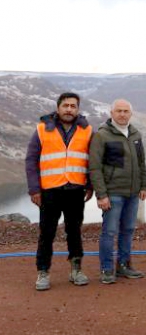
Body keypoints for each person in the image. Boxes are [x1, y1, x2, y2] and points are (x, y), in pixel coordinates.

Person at [25, 92, 93, 291]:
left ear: (78, 109)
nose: (69, 109)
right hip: (50, 191)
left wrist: (90, 185)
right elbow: (31, 160)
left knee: (74, 231)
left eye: (73, 106)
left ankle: (76, 270)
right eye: (66, 106)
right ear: (58, 108)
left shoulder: (87, 131)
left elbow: (92, 161)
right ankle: (43, 271)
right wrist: (34, 189)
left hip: (75, 190)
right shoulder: (41, 130)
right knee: (47, 233)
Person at [89, 99, 146, 284]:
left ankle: (123, 266)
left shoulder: (136, 134)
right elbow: (95, 167)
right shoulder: (102, 136)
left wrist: (144, 186)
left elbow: (141, 162)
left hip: (132, 193)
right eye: (118, 111)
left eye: (126, 111)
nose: (122, 114)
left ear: (131, 113)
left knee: (128, 230)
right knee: (109, 232)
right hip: (113, 193)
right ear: (111, 113)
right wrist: (101, 194)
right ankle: (107, 269)